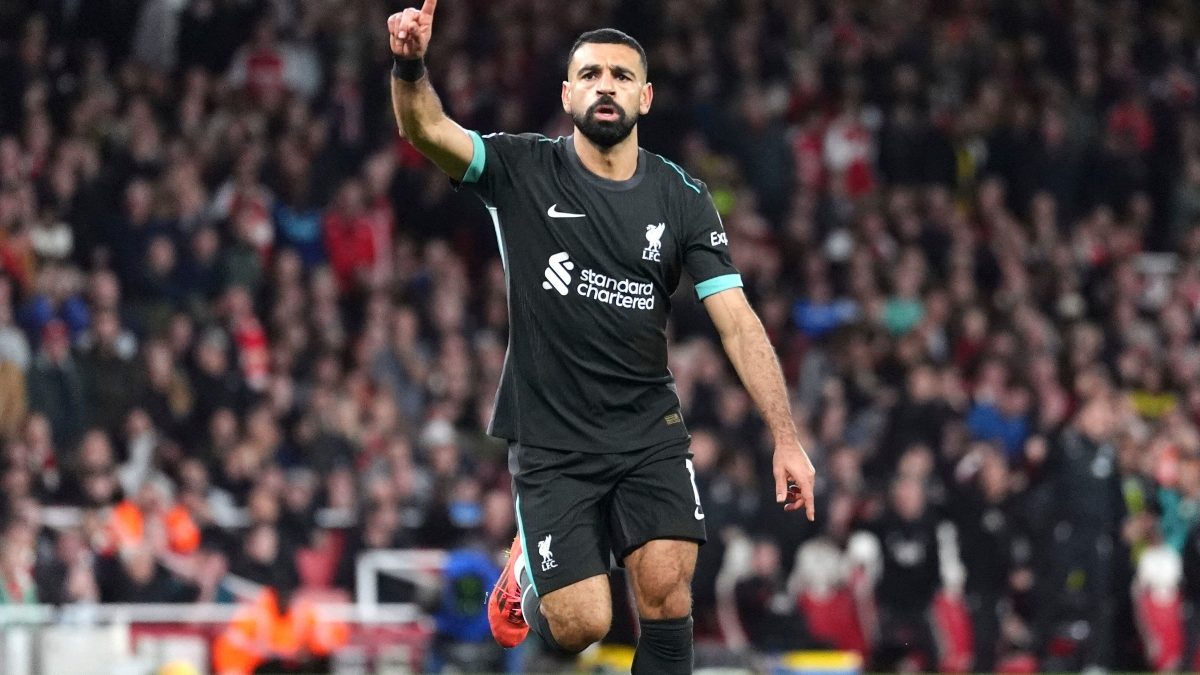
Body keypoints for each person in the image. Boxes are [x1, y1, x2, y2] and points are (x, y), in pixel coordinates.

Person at [385, 3, 816, 673]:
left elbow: (737, 319)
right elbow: (425, 127)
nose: (605, 84)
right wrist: (410, 65)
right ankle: (529, 566)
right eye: (589, 73)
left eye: (621, 74)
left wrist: (786, 437)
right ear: (567, 93)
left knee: (669, 590)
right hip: (553, 437)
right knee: (584, 624)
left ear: (645, 95)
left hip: (647, 429)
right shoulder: (521, 168)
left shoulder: (683, 199)